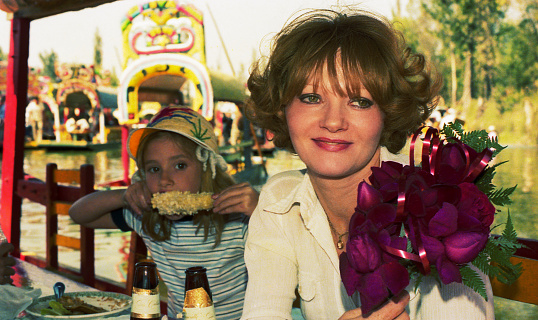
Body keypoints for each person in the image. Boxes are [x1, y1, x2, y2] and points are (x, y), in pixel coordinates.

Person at [241, 8, 494, 320]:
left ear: (387, 113)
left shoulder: (438, 210)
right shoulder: (279, 201)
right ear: (283, 110)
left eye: (359, 101)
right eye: (311, 98)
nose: (333, 121)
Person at [69, 106, 259, 319]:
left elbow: (296, 241)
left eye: (179, 165)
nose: (165, 180)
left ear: (206, 167)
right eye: (154, 169)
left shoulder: (238, 217)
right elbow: (79, 214)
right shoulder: (147, 217)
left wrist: (261, 210)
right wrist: (122, 196)